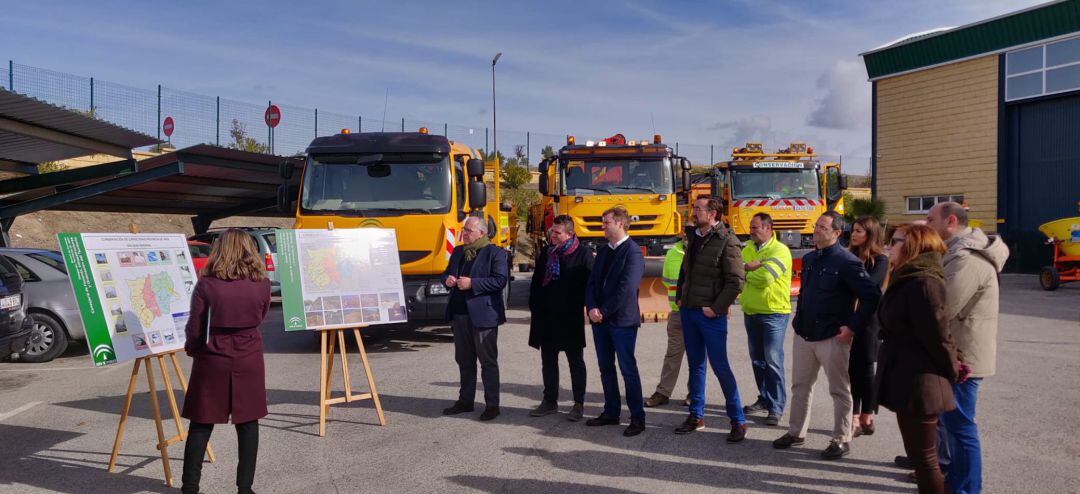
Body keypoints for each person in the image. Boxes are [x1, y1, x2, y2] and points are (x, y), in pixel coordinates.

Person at [773, 211, 881, 460]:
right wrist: (798, 320)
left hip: (833, 336)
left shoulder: (847, 262)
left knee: (840, 390)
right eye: (816, 225)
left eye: (823, 227)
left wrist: (852, 327)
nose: (816, 229)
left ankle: (841, 439)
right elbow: (805, 294)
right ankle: (796, 432)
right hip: (805, 334)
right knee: (800, 386)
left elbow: (871, 296)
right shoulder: (810, 259)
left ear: (836, 233)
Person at [925, 202, 1008, 494]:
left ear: (950, 221)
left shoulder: (967, 259)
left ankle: (966, 489)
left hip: (963, 359)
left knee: (960, 426)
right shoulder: (955, 253)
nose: (926, 224)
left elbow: (942, 308)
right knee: (950, 424)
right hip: (953, 354)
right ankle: (953, 478)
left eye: (929, 218)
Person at [181, 229, 272, 494]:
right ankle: (245, 488)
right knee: (248, 421)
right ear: (249, 249)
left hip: (212, 355)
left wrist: (192, 348)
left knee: (201, 421)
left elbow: (195, 326)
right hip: (249, 354)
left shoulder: (207, 284)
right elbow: (262, 315)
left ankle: (190, 487)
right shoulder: (262, 284)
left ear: (220, 250)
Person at [877, 224, 963, 494]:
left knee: (925, 461)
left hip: (922, 382)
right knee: (918, 456)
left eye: (896, 241)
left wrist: (954, 368)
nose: (889, 246)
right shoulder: (907, 277)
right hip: (907, 378)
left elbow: (939, 336)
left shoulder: (924, 282)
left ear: (913, 245)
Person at [675, 197, 749, 442]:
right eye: (694, 208)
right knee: (695, 365)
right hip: (689, 310)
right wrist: (679, 298)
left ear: (713, 213)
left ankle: (737, 420)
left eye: (698, 208)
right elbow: (686, 270)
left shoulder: (727, 241)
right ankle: (696, 416)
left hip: (709, 315)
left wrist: (717, 308)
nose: (693, 212)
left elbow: (736, 281)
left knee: (720, 367)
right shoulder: (694, 236)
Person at [584, 206, 647, 437]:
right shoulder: (602, 251)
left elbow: (626, 289)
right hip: (600, 321)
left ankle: (637, 418)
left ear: (620, 223)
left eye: (606, 222)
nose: (603, 226)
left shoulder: (632, 252)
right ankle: (611, 412)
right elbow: (591, 283)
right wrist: (591, 307)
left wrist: (603, 311)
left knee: (627, 369)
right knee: (605, 368)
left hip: (621, 321)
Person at [441, 216, 509, 421]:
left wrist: (473, 284)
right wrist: (448, 279)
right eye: (464, 230)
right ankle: (465, 401)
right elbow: (445, 273)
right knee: (464, 360)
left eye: (468, 231)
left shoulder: (494, 253)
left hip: (483, 316)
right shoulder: (459, 252)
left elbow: (500, 280)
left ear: (481, 232)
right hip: (460, 314)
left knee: (487, 362)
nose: (464, 234)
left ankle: (492, 405)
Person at [528, 215, 594, 422]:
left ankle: (578, 403)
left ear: (570, 234)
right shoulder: (547, 253)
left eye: (557, 232)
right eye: (551, 231)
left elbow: (590, 285)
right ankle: (550, 401)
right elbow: (536, 282)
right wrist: (535, 306)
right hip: (546, 317)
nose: (552, 235)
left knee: (575, 361)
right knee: (548, 360)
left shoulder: (583, 254)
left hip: (569, 317)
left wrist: (585, 307)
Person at [739, 212, 792, 427]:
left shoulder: (780, 250)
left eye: (755, 227)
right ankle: (764, 398)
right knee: (758, 361)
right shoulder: (748, 249)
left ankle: (776, 406)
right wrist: (746, 268)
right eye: (751, 227)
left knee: (773, 361)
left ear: (768, 228)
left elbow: (766, 278)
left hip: (773, 313)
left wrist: (747, 272)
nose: (751, 231)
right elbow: (735, 272)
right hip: (751, 312)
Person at [847, 216, 889, 437]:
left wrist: (850, 281)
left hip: (870, 321)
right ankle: (854, 417)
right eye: (853, 230)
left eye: (859, 231)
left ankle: (866, 415)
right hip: (848, 319)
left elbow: (870, 287)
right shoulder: (849, 255)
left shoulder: (880, 259)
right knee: (851, 370)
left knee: (865, 370)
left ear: (870, 235)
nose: (854, 235)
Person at [645, 228, 689, 408]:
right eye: (686, 233)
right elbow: (667, 280)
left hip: (698, 313)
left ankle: (694, 394)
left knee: (697, 357)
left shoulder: (704, 252)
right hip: (677, 313)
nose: (688, 236)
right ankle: (663, 392)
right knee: (672, 355)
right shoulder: (673, 253)